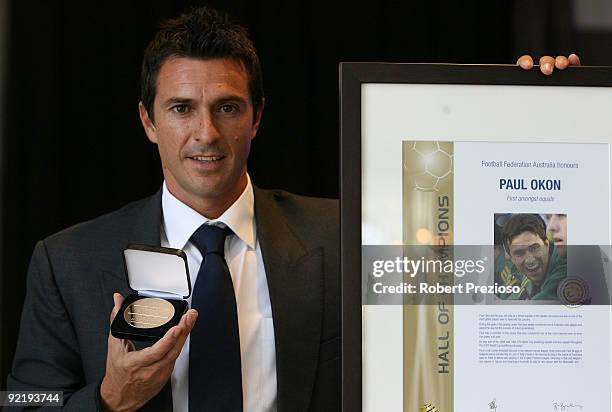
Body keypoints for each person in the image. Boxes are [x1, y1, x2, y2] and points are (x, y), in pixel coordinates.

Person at [6, 5, 579, 411]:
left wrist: (539, 119)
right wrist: (108, 400)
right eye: (181, 108)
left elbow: (486, 284)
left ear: (257, 117)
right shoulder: (66, 261)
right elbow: (23, 401)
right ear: (148, 121)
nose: (205, 132)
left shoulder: (345, 236)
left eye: (227, 108)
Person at [501, 214, 567, 300]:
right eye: (519, 253)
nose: (530, 260)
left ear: (546, 244)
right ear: (511, 258)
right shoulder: (516, 272)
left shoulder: (564, 267)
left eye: (534, 248)